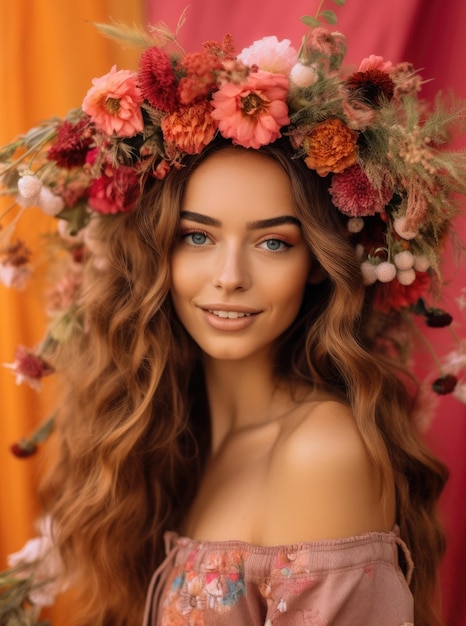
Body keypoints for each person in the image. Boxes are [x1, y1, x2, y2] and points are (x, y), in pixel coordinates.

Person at [1, 11, 465, 626]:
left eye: (273, 243)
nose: (229, 276)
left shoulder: (319, 453)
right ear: (155, 250)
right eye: (197, 237)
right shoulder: (167, 438)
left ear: (319, 265)